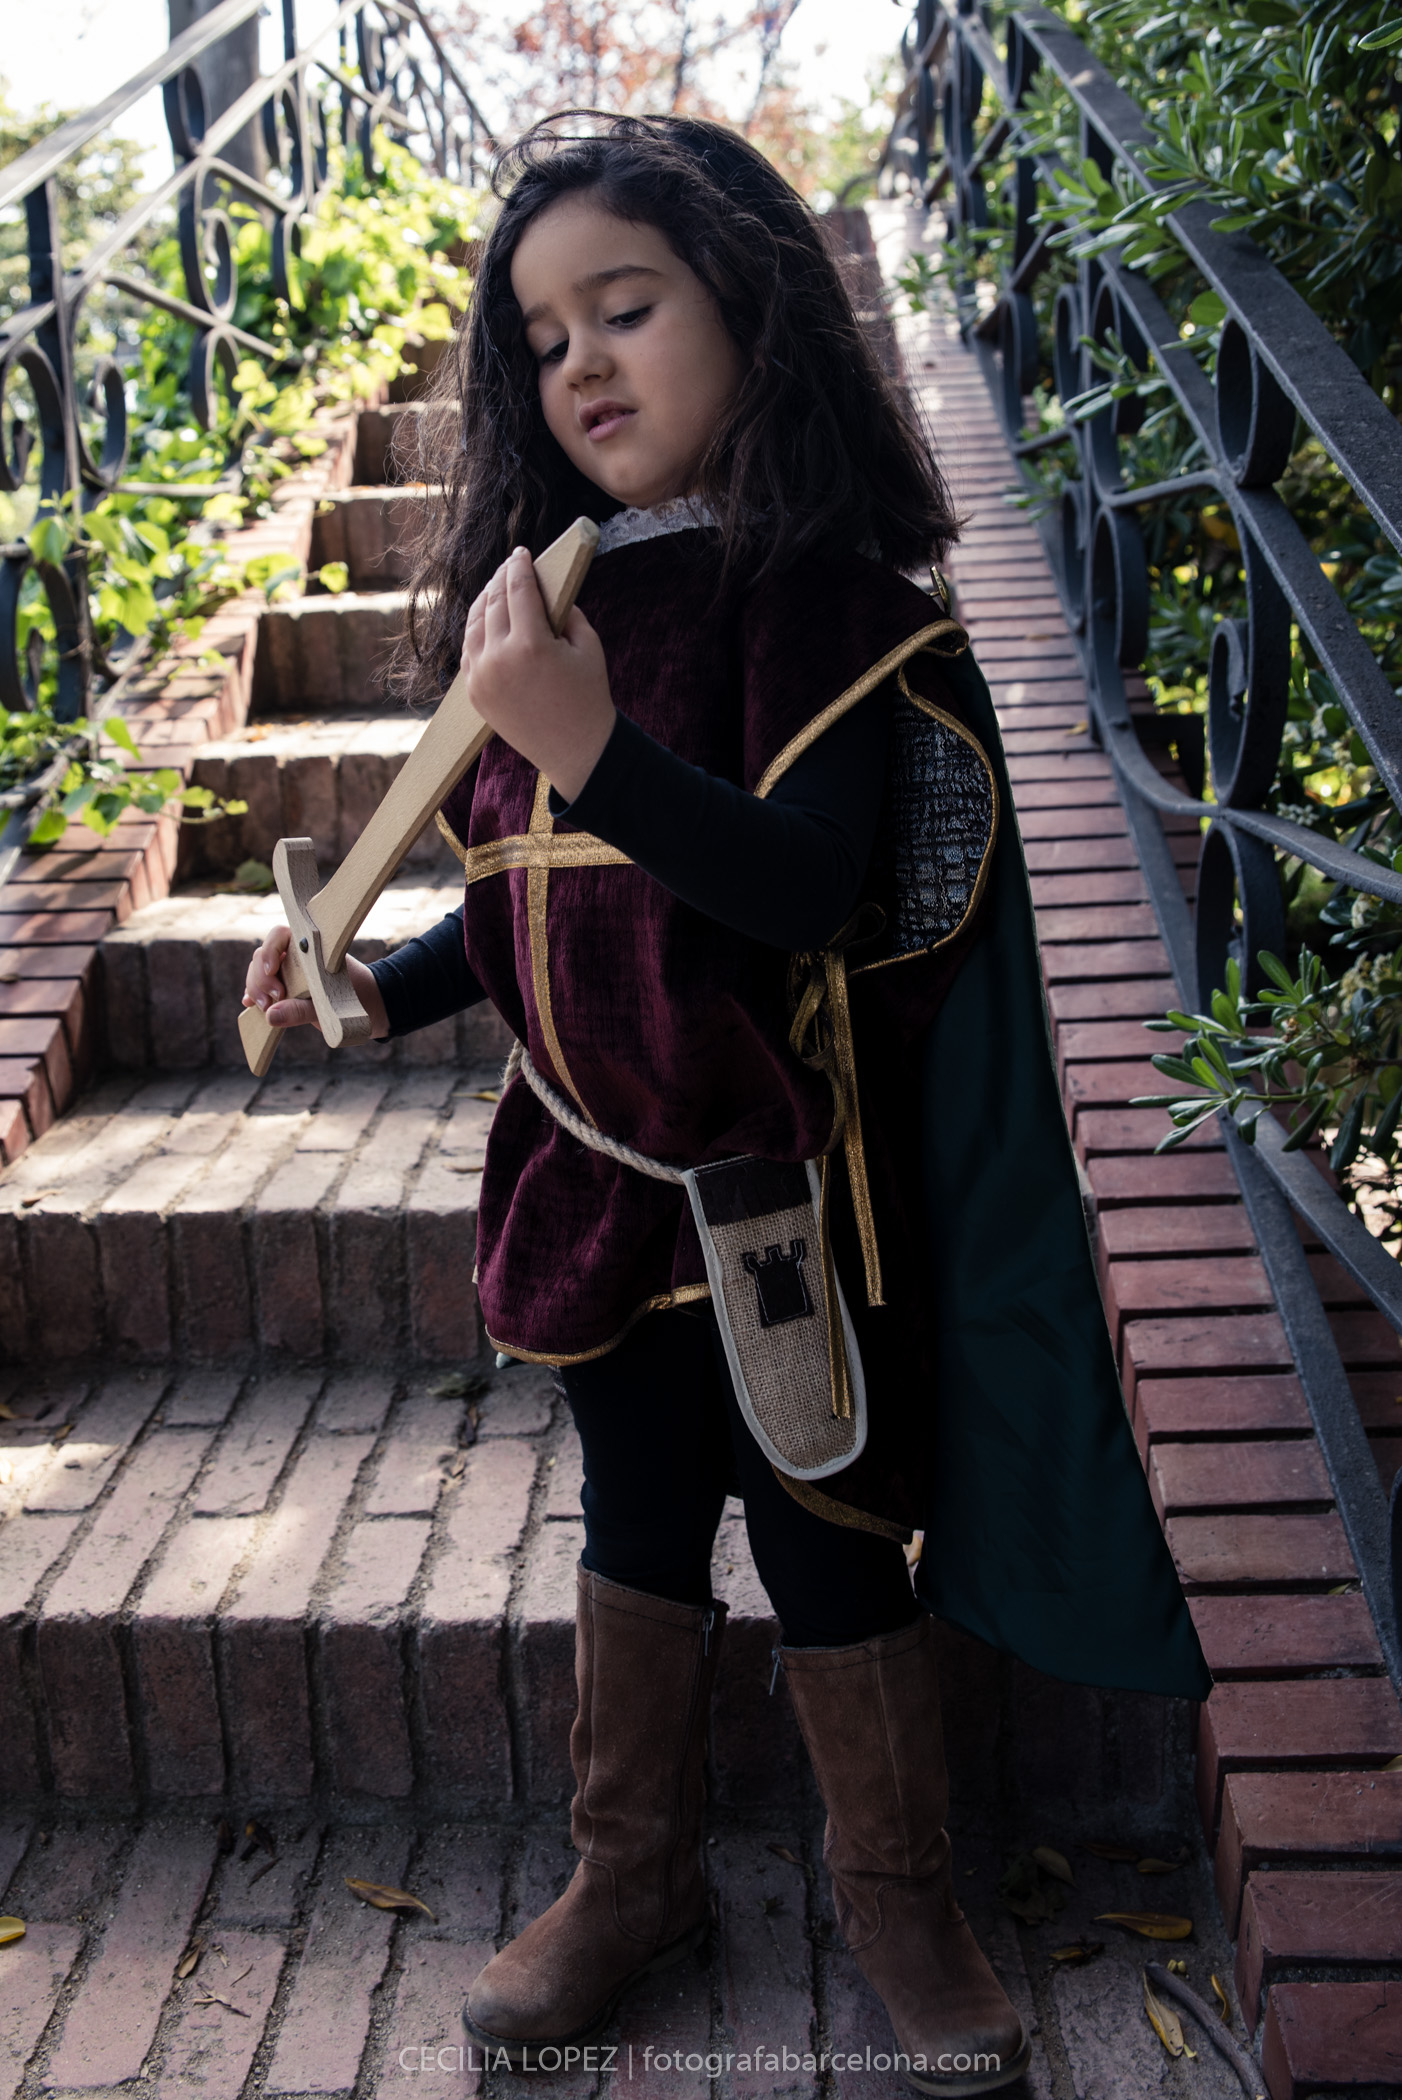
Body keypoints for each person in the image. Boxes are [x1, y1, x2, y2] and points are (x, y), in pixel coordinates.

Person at [244, 113, 1208, 2098]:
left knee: (823, 1524)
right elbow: (516, 887)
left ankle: (897, 1895)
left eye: (624, 307)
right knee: (634, 1515)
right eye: (539, 338)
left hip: (785, 1197)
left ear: (753, 313)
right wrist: (374, 981)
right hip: (585, 1178)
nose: (576, 362)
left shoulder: (819, 603)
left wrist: (588, 739)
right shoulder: (548, 609)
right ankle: (631, 1879)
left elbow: (808, 888)